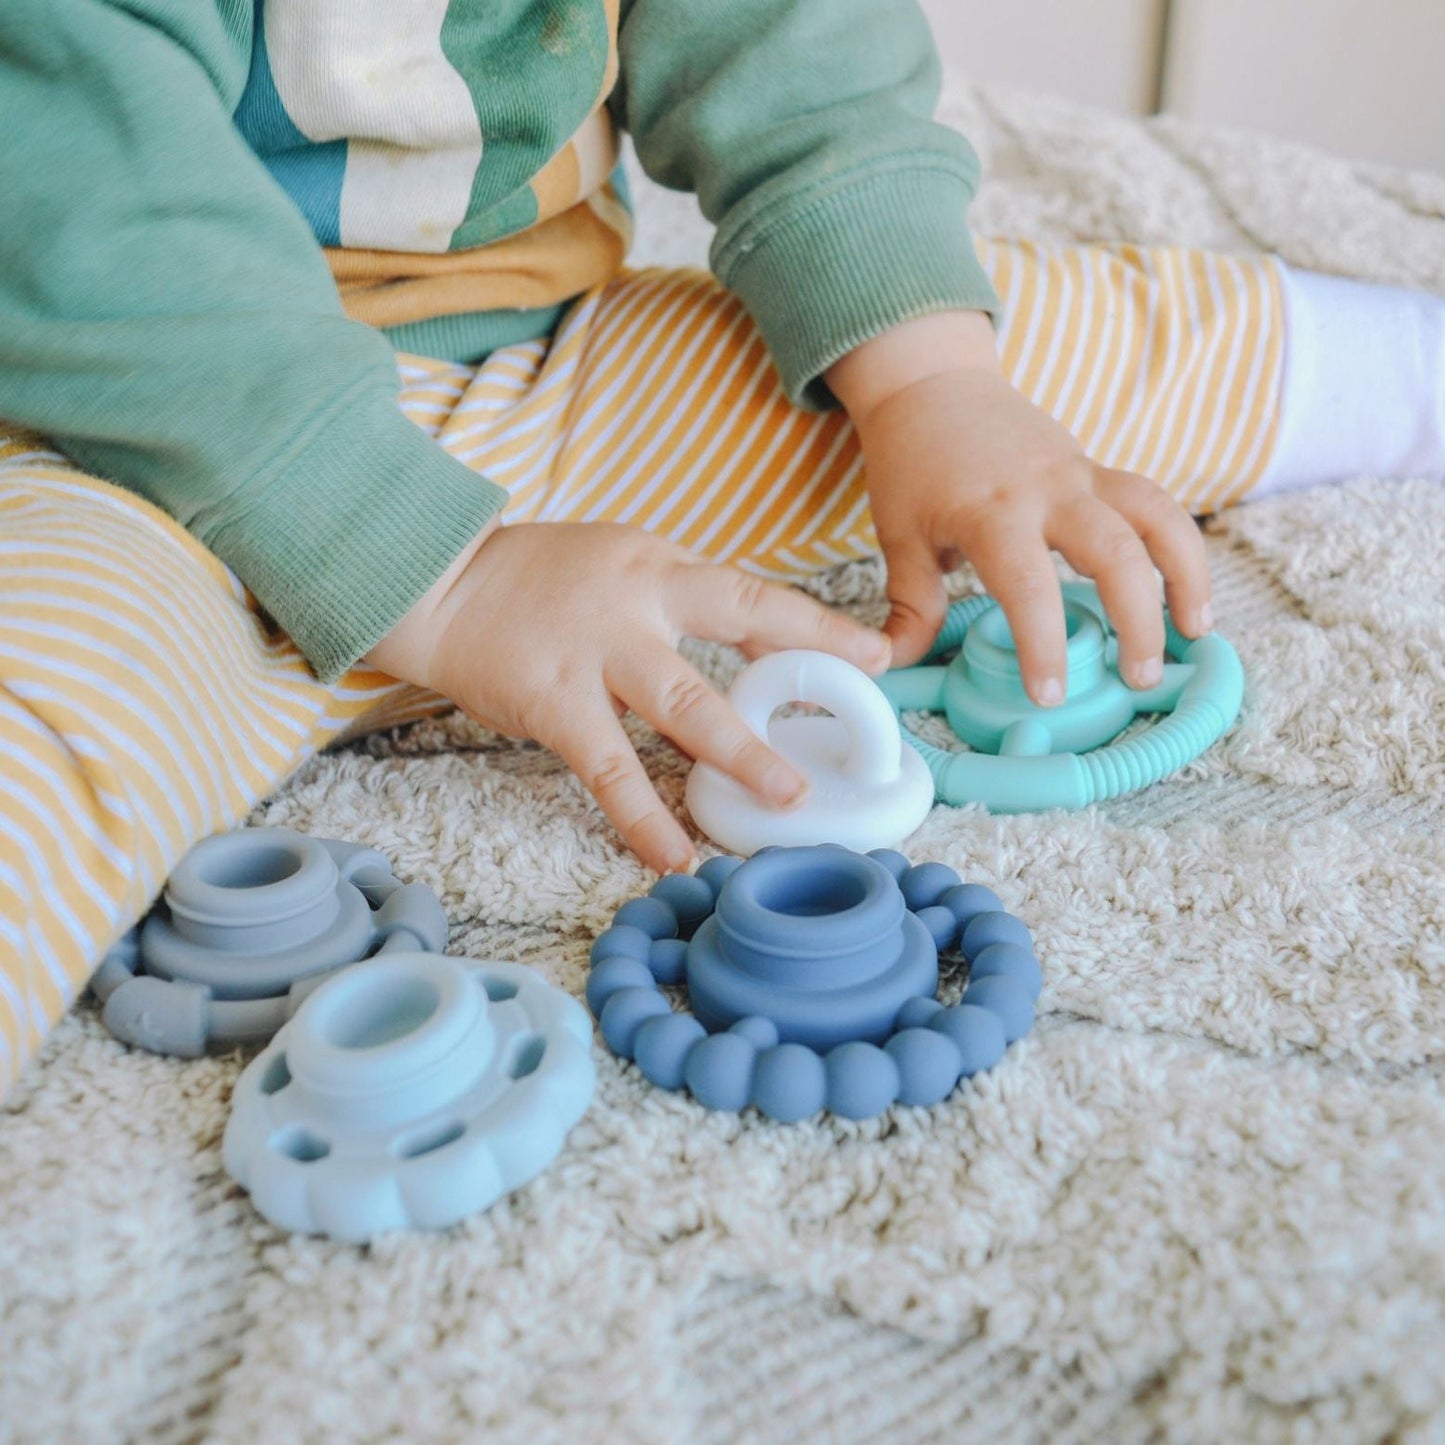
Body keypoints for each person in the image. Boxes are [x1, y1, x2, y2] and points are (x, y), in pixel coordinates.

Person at [1, 0, 1442, 1093]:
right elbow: (80, 202)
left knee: (989, 382)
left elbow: (787, 45)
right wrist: (442, 578)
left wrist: (926, 377)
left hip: (548, 366)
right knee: (50, 698)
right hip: (143, 436)